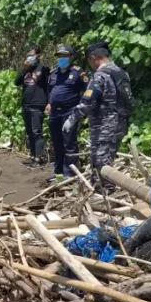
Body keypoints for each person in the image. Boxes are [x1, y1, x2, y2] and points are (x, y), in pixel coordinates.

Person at [63, 41, 134, 193]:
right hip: (120, 123)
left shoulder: (100, 76)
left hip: (104, 125)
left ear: (93, 58)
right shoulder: (122, 73)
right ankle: (99, 188)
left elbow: (87, 102)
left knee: (101, 161)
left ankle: (105, 192)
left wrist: (72, 118)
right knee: (106, 158)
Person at [46, 45, 88, 183]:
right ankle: (58, 172)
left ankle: (70, 173)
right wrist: (49, 103)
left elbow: (87, 91)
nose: (61, 59)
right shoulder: (53, 73)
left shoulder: (77, 73)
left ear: (71, 57)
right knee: (56, 142)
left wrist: (81, 108)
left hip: (70, 112)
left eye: (64, 56)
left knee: (69, 142)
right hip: (54, 113)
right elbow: (50, 91)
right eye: (59, 56)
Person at [15, 45, 50, 167]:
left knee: (36, 131)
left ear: (39, 56)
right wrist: (24, 69)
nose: (30, 58)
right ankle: (32, 156)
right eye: (28, 56)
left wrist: (49, 103)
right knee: (29, 131)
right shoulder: (26, 69)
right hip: (26, 104)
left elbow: (48, 86)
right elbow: (17, 82)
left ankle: (39, 158)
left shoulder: (44, 69)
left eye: (32, 55)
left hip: (37, 104)